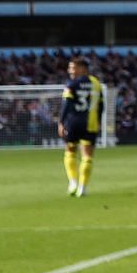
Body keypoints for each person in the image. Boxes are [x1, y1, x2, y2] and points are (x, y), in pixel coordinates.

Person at [57, 57, 104, 197]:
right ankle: (82, 187)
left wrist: (61, 122)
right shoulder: (96, 83)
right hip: (90, 123)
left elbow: (66, 105)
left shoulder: (71, 84)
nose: (70, 70)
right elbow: (101, 105)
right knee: (87, 156)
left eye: (73, 67)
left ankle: (73, 182)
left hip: (73, 122)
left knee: (70, 151)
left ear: (82, 68)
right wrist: (99, 121)